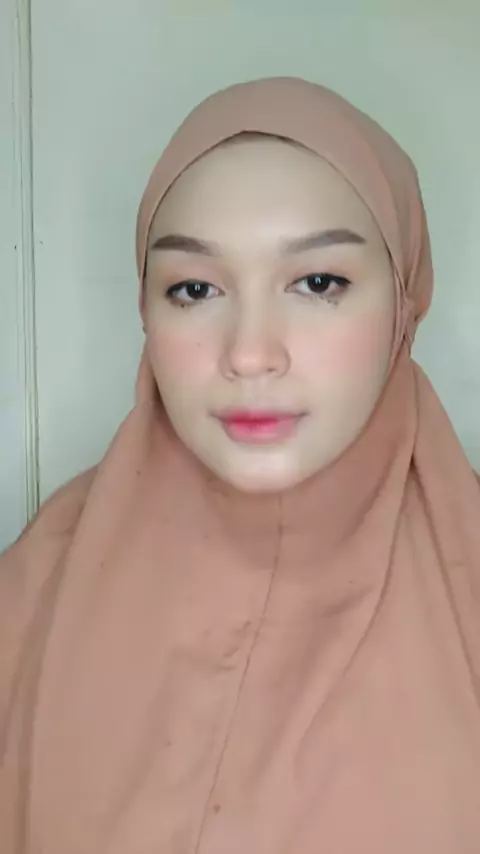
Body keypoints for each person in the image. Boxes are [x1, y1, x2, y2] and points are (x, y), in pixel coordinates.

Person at [1, 76, 480, 853]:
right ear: (145, 310)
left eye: (319, 282)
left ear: (403, 302)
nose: (251, 353)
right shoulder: (32, 594)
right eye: (194, 288)